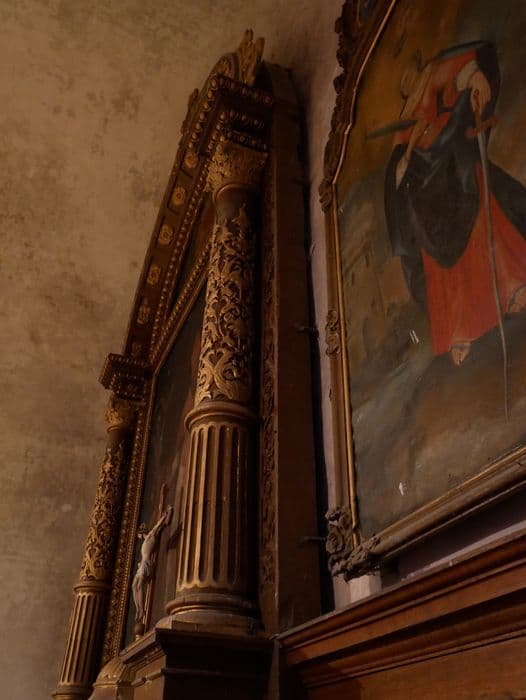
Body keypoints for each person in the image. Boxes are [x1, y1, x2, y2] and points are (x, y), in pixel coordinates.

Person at [384, 41, 526, 365]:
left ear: (416, 64)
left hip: (451, 162)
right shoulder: (405, 118)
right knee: (429, 242)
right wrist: (402, 164)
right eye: (402, 82)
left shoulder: (433, 75)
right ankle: (460, 328)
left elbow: (463, 69)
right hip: (426, 188)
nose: (405, 80)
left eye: (407, 73)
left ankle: (513, 285)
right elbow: (398, 160)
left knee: (477, 201)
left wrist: (474, 78)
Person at [132, 505, 173, 623]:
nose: (139, 537)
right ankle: (138, 608)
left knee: (139, 585)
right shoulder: (147, 540)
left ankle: (142, 610)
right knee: (134, 586)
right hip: (142, 564)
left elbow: (157, 527)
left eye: (139, 535)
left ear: (142, 533)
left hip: (146, 563)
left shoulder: (150, 536)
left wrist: (165, 515)